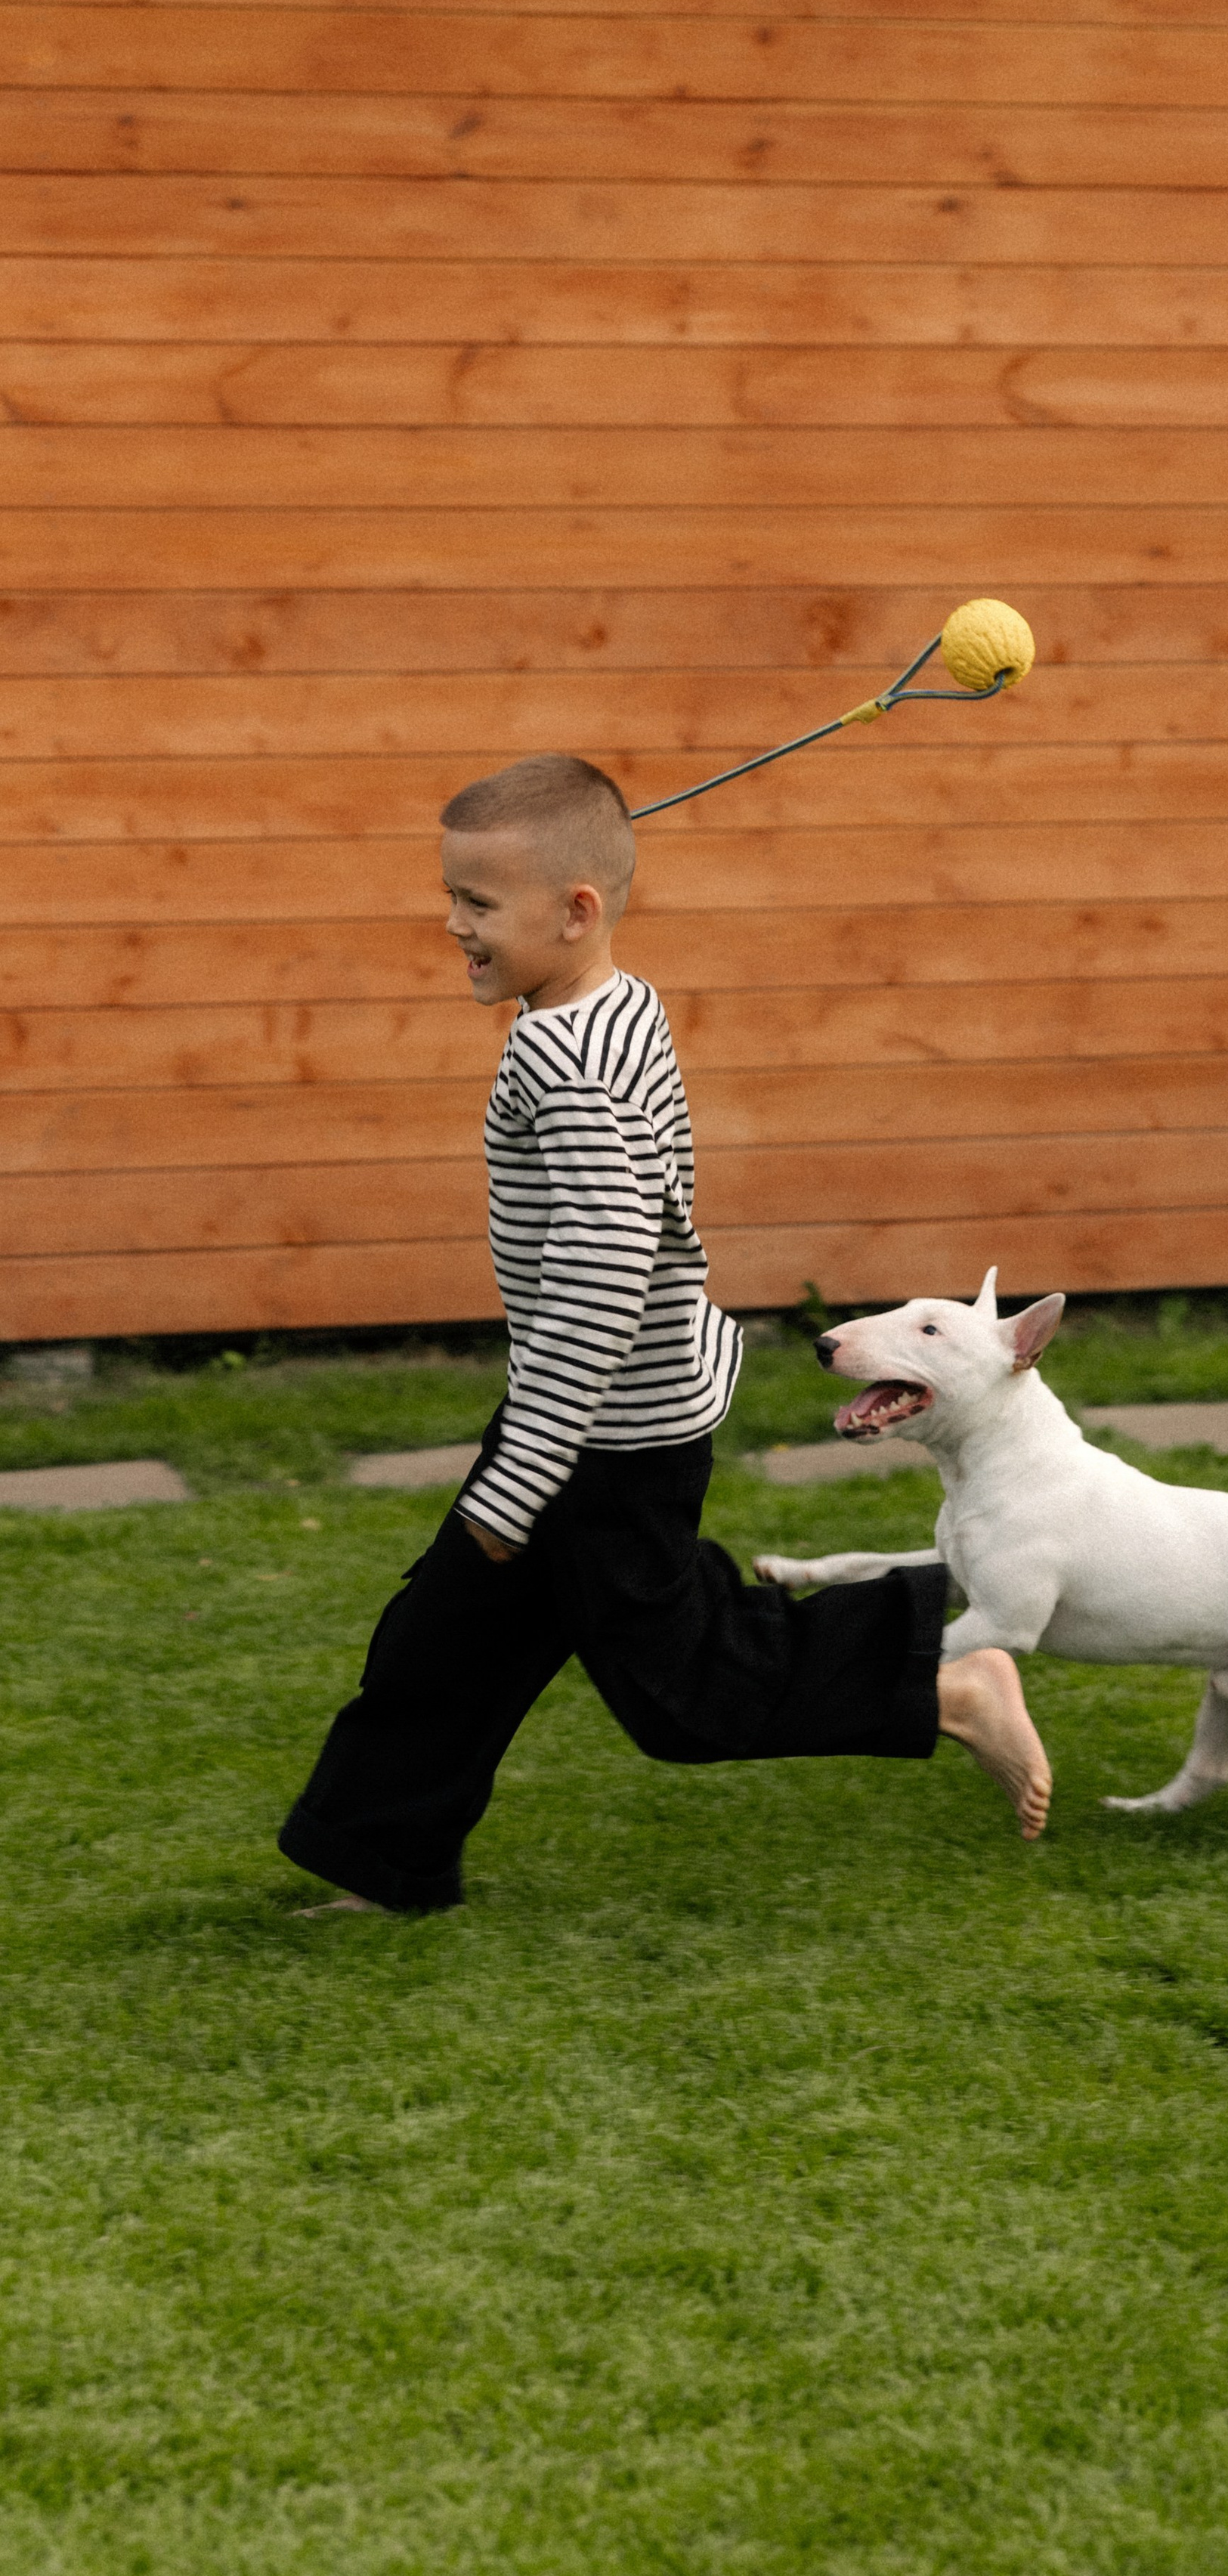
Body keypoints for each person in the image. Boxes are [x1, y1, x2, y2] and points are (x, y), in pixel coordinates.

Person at [279, 752, 1050, 1915]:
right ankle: (384, 1865)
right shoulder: (612, 1001)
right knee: (447, 1642)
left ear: (575, 909)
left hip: (603, 1436)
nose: (453, 925)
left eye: (478, 904)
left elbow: (599, 1281)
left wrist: (515, 1490)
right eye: (454, 897)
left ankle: (947, 1682)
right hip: (599, 1409)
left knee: (688, 1691)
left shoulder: (564, 1060)